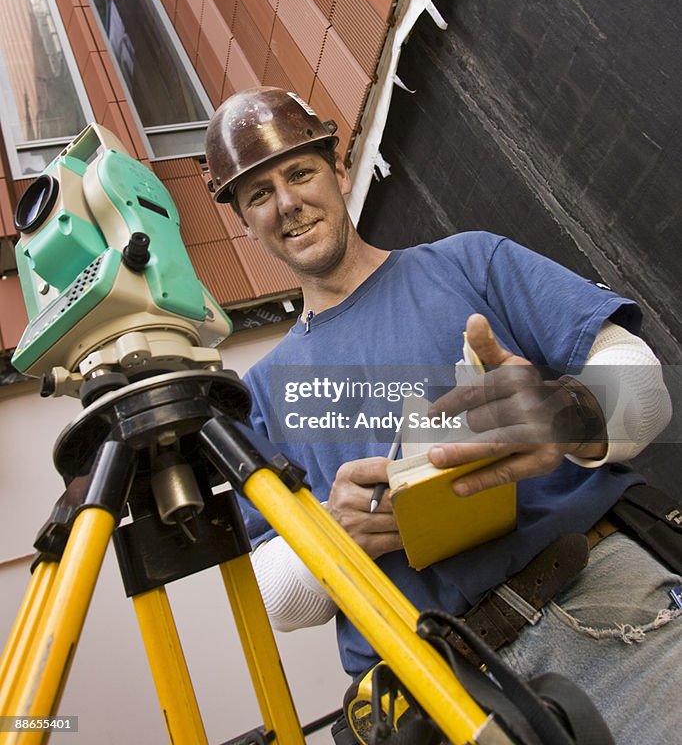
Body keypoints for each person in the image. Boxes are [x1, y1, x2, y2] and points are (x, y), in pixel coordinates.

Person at [205, 86, 680, 744]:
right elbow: (280, 601)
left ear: (338, 169)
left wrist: (559, 417)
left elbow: (644, 388)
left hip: (603, 619)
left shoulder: (469, 262)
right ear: (244, 220)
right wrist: (334, 538)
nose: (286, 202)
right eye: (258, 194)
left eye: (300, 172)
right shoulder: (255, 397)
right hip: (436, 697)